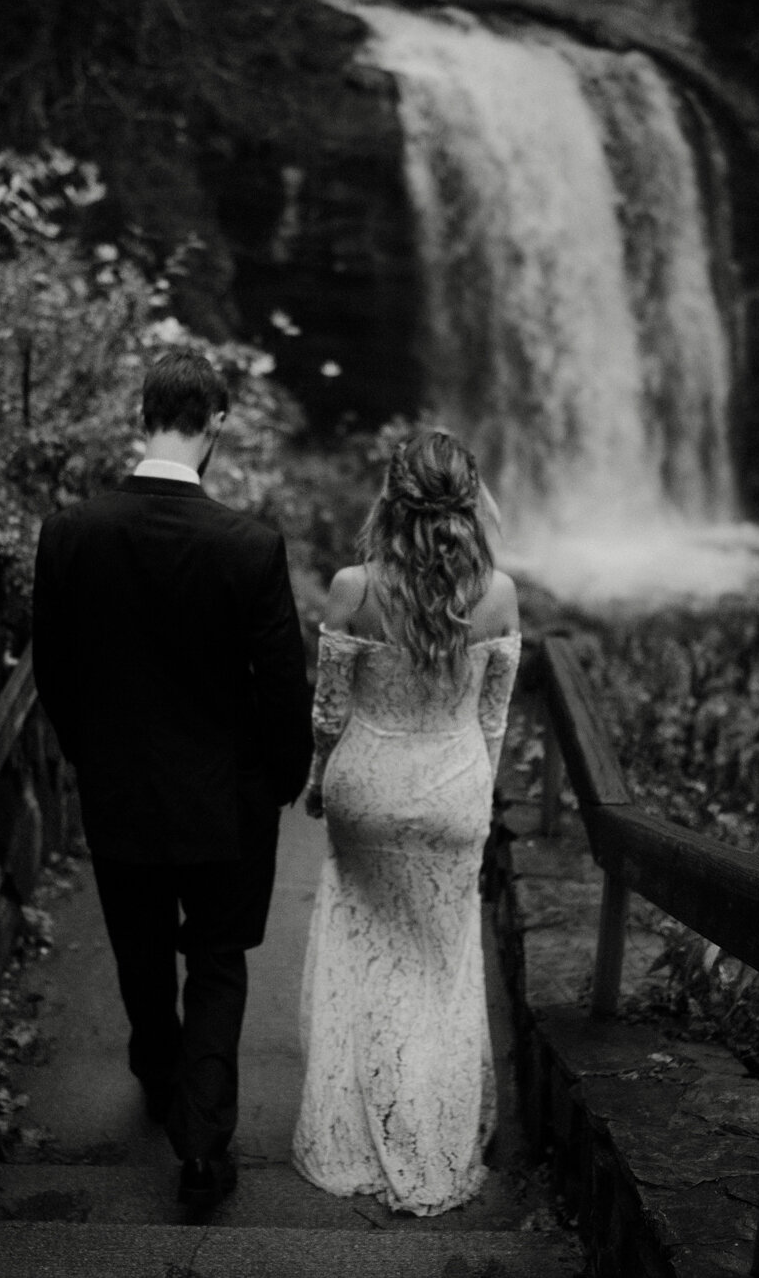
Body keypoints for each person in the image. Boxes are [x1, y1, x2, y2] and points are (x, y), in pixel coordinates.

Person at [32, 349, 313, 1209]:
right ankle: (203, 1140)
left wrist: (93, 758)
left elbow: (55, 673)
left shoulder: (70, 533)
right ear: (216, 424)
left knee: (142, 951)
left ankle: (158, 1073)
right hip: (224, 802)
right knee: (219, 963)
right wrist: (281, 780)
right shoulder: (250, 546)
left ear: (141, 413)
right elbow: (281, 683)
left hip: (121, 792)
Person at [290, 430, 521, 1216]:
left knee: (362, 955)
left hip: (369, 787)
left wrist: (322, 780)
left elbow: (328, 713)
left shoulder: (353, 586)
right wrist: (476, 801)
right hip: (454, 790)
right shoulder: (499, 593)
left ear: (389, 497)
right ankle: (435, 1132)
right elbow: (493, 721)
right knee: (439, 968)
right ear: (470, 499)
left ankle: (356, 1128)